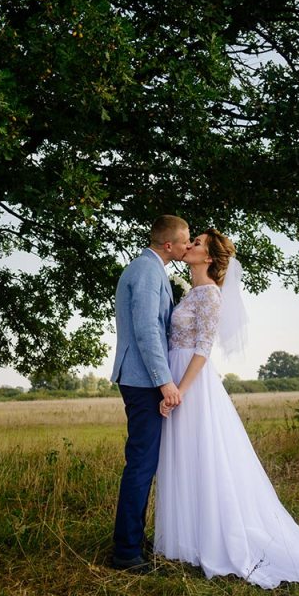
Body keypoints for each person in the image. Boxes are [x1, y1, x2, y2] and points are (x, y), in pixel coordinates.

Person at [155, 230, 299, 587]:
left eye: (197, 243)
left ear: (209, 258)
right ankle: (187, 538)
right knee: (184, 457)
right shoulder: (190, 292)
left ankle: (216, 538)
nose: (190, 246)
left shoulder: (211, 295)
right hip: (175, 375)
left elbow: (203, 349)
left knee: (205, 457)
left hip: (192, 383)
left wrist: (180, 390)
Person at [108, 214, 191, 573]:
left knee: (145, 462)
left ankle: (132, 539)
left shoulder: (152, 269)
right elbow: (146, 330)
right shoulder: (145, 270)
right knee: (141, 464)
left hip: (144, 380)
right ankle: (125, 552)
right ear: (168, 245)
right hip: (143, 382)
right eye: (186, 240)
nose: (189, 246)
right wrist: (164, 381)